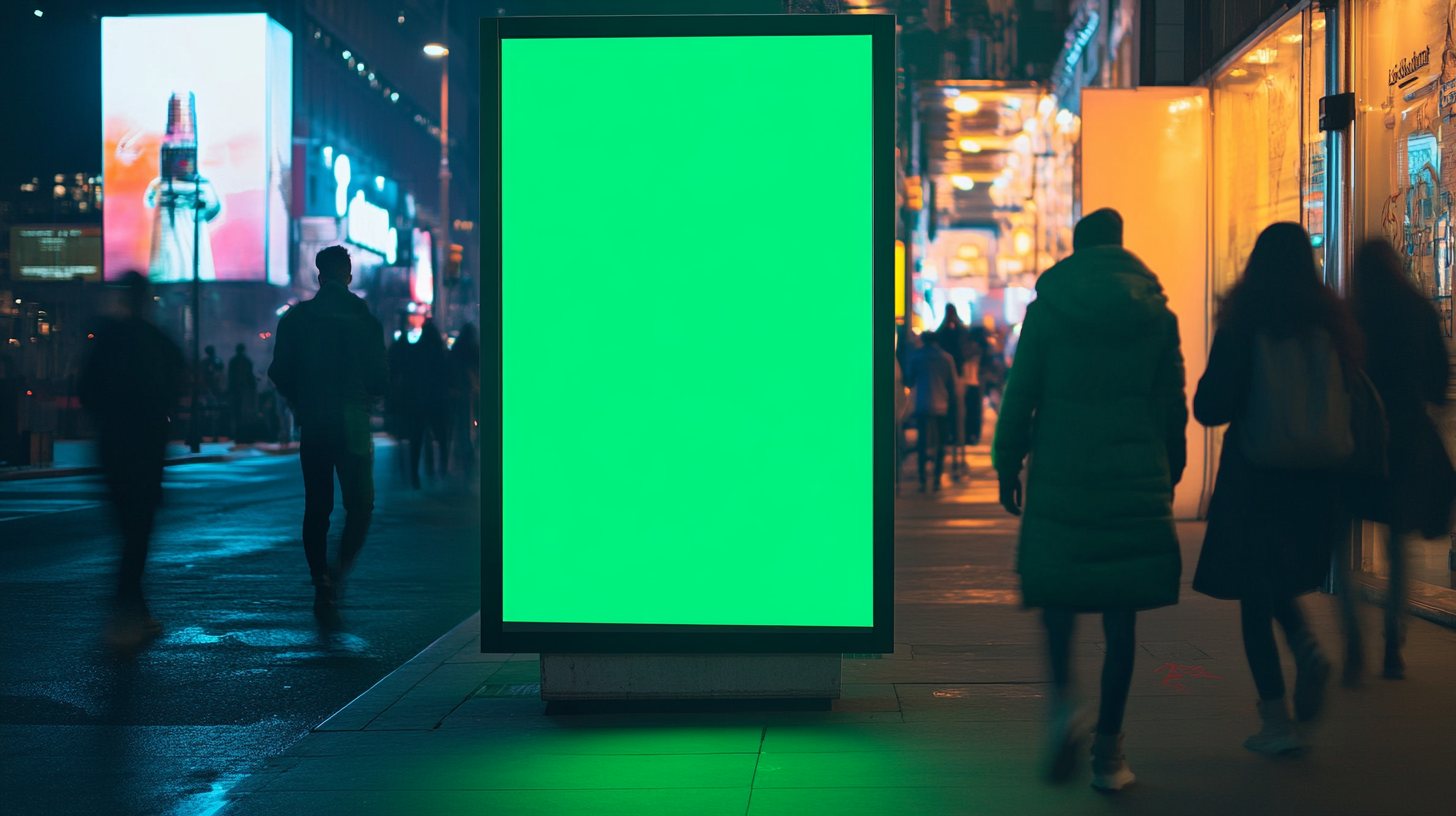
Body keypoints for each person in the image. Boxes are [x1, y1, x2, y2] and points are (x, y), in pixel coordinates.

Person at [992, 208, 1186, 791]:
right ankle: (1110, 753)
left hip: (1061, 475)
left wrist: (1008, 465)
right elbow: (1171, 404)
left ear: (1076, 250)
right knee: (1120, 615)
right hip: (1132, 476)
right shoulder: (1156, 314)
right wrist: (1169, 469)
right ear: (1120, 246)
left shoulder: (1046, 311)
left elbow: (1019, 393)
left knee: (1059, 601)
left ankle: (1061, 708)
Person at [1192, 222, 1360, 755]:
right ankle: (1306, 644)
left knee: (1253, 591)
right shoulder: (1332, 322)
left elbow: (1210, 407)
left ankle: (1277, 722)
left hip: (1256, 477)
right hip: (1317, 481)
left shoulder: (1247, 322)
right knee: (1277, 577)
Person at [1340, 239, 1454, 682]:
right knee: (1398, 544)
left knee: (1341, 541)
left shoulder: (1351, 315)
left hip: (1356, 439)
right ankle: (1393, 643)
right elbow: (1438, 383)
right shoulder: (1419, 311)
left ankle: (1352, 640)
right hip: (1405, 439)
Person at [268, 246, 388, 621]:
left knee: (317, 506)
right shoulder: (364, 319)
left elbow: (279, 372)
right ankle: (338, 570)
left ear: (319, 276)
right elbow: (380, 378)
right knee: (360, 504)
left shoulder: (297, 318)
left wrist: (299, 399)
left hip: (315, 421)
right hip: (352, 421)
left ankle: (319, 579)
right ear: (348, 276)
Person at [79, 271, 185, 651]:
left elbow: (86, 389)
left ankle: (134, 608)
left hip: (112, 442)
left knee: (127, 528)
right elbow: (177, 385)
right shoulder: (158, 341)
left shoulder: (106, 339)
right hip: (146, 444)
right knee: (138, 531)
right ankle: (125, 607)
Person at [400, 320, 452, 487]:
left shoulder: (416, 351)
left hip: (418, 400)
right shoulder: (440, 353)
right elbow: (446, 377)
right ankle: (442, 469)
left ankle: (415, 474)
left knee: (417, 438)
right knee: (442, 436)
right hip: (437, 400)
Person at [905, 330, 957, 492]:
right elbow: (952, 384)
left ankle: (922, 477)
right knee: (941, 442)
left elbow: (909, 379)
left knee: (922, 441)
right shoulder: (946, 358)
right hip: (942, 404)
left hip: (922, 404)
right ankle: (937, 476)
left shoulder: (917, 357)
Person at [450, 323, 481, 477]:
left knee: (462, 424)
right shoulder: (476, 348)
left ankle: (463, 451)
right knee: (475, 421)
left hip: (461, 392)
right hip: (475, 389)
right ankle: (471, 449)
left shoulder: (457, 348)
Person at [228, 343, 257, 444]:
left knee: (236, 414)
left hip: (236, 391)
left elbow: (230, 377)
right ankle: (246, 436)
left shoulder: (233, 361)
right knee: (246, 415)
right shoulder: (247, 361)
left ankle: (237, 437)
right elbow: (250, 376)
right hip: (246, 392)